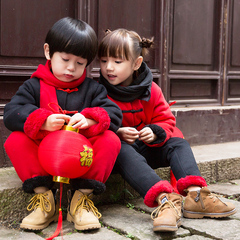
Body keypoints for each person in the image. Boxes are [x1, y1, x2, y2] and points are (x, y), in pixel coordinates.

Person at [98, 29, 237, 232]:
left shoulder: (151, 90)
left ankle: (196, 195)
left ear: (136, 64)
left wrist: (154, 132)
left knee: (177, 143)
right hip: (120, 156)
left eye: (117, 62)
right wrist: (116, 131)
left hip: (146, 148)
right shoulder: (98, 91)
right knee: (121, 148)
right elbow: (95, 121)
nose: (108, 67)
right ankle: (165, 200)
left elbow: (166, 119)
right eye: (103, 61)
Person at [3, 18, 122, 232]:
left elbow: (114, 114)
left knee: (110, 139)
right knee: (16, 140)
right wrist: (42, 121)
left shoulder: (92, 89)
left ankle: (80, 200)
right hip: (44, 154)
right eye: (65, 59)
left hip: (79, 157)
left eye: (80, 63)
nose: (71, 68)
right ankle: (44, 200)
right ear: (48, 51)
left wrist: (91, 119)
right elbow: (12, 113)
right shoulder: (33, 85)